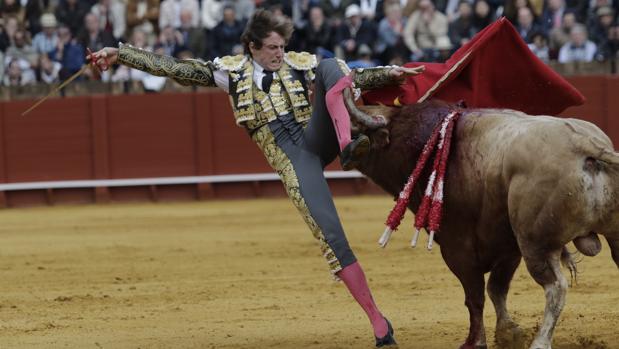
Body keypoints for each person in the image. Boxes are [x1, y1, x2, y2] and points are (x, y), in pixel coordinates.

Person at [89, 9, 424, 348]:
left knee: (330, 65)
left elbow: (352, 76)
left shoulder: (298, 63)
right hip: (294, 161)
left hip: (317, 137)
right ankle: (379, 324)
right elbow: (179, 69)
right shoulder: (232, 74)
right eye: (273, 48)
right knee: (333, 239)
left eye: (282, 47)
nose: (280, 54)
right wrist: (122, 55)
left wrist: (389, 73)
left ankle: (347, 145)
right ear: (252, 47)